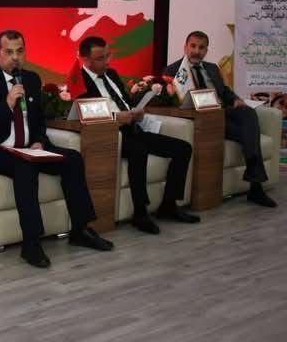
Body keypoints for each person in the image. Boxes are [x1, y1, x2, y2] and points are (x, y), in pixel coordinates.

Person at [0, 30, 113, 269]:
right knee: (25, 167)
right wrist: (7, 103)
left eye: (20, 51)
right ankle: (31, 243)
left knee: (73, 159)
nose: (15, 57)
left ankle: (80, 229)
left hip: (31, 148)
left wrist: (40, 141)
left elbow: (39, 120)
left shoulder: (31, 79)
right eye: (9, 52)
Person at [77, 36, 201, 234]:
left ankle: (169, 205)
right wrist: (116, 118)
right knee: (138, 149)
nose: (107, 62)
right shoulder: (79, 81)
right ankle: (140, 213)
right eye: (101, 58)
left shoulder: (112, 74)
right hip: (111, 136)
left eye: (108, 56)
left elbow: (125, 101)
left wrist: (136, 111)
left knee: (183, 148)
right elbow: (86, 114)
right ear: (85, 59)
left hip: (133, 129)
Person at [165, 31, 277, 207]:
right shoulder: (173, 70)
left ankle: (255, 181)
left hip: (222, 111)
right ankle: (256, 188)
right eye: (193, 46)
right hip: (204, 119)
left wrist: (235, 99)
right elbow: (170, 102)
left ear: (206, 51)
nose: (196, 51)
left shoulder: (212, 68)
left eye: (201, 48)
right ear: (185, 47)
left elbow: (224, 91)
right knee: (248, 134)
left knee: (248, 112)